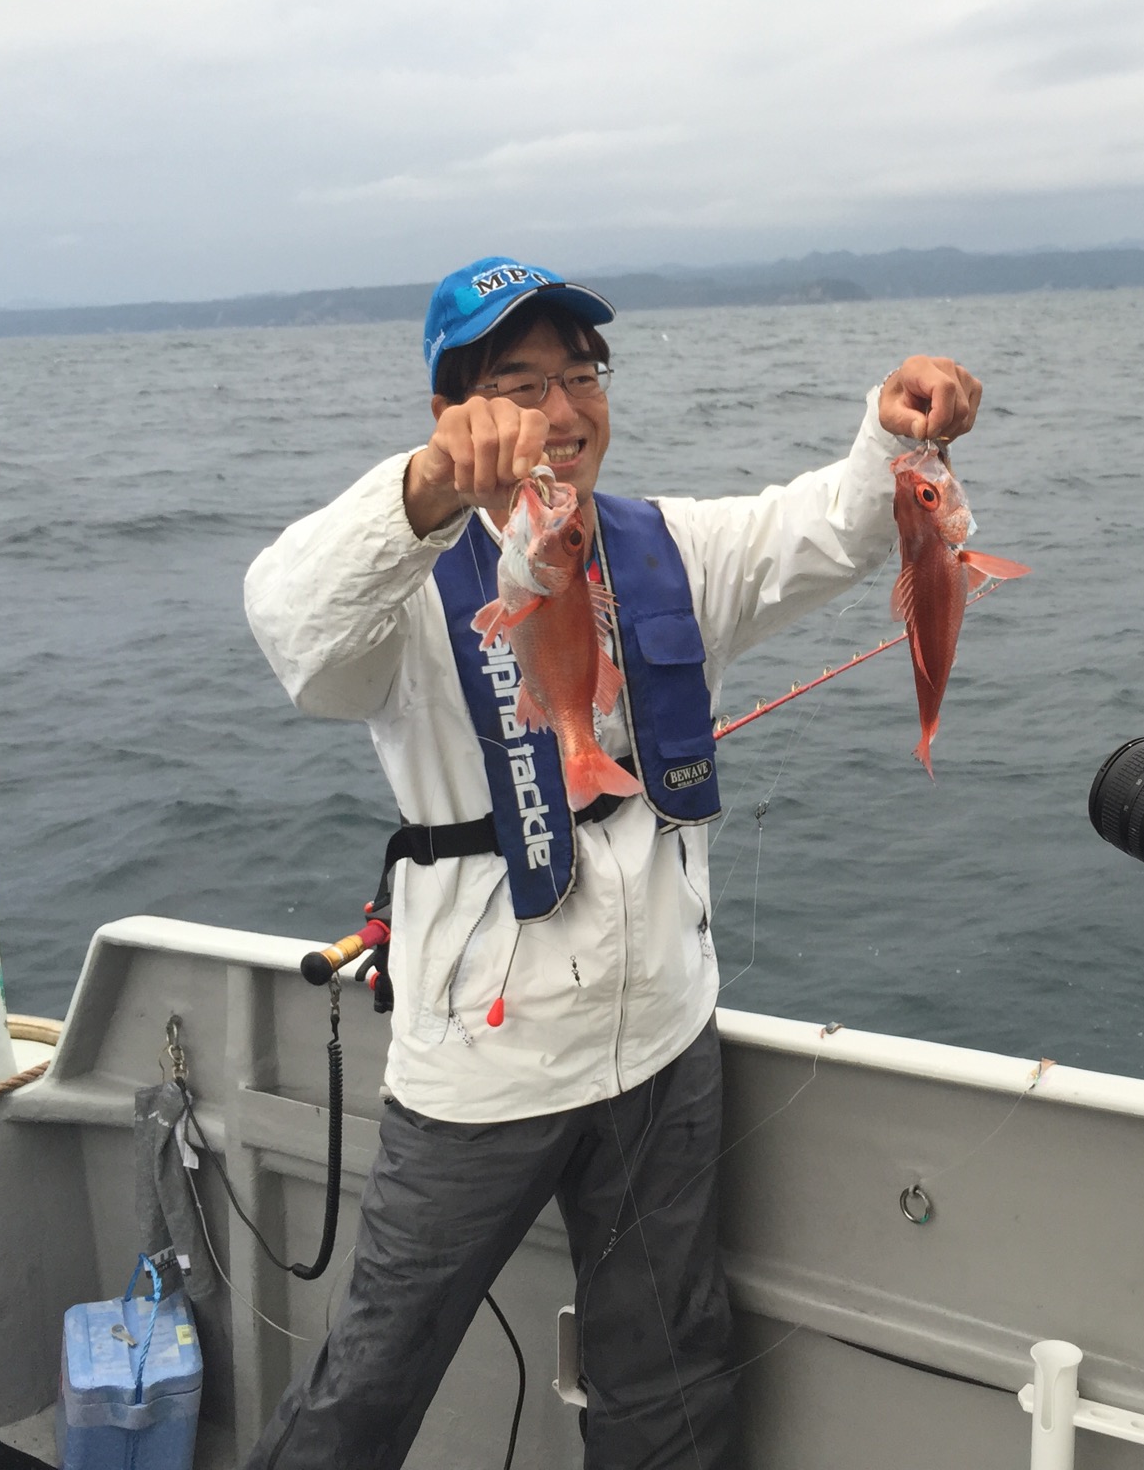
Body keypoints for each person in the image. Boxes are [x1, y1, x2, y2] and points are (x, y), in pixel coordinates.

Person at [241, 255, 981, 1468]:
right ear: (452, 412)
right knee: (371, 1375)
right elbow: (295, 631)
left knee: (671, 1370)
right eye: (521, 382)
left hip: (663, 1043)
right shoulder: (407, 588)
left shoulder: (665, 551)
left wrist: (890, 418)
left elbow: (832, 526)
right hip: (481, 1068)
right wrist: (423, 497)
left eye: (581, 373)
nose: (563, 408)